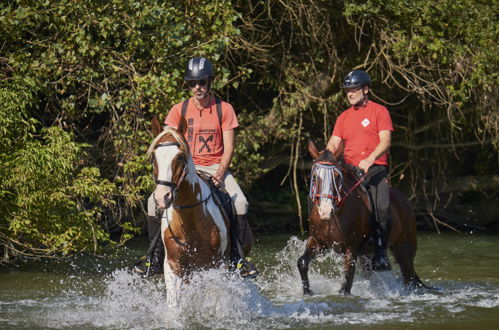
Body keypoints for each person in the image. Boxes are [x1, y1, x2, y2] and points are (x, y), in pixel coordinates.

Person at [134, 57, 258, 278]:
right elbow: (167, 143)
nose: (197, 87)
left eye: (201, 82)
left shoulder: (224, 109)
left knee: (240, 202)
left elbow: (229, 147)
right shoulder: (177, 110)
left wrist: (220, 173)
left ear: (210, 81)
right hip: (185, 170)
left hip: (214, 167)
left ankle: (238, 259)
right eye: (192, 83)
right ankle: (153, 259)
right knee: (153, 204)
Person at [326, 70, 394, 271]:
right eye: (347, 90)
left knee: (381, 206)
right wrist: (325, 157)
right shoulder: (343, 117)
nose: (349, 94)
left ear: (365, 89)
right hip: (349, 171)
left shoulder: (379, 112)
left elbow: (386, 141)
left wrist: (370, 159)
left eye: (354, 90)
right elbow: (334, 142)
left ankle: (381, 253)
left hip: (373, 169)